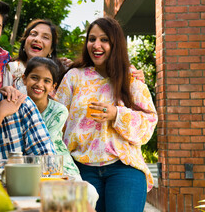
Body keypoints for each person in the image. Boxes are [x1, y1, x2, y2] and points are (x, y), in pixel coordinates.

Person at [55, 17, 158, 212]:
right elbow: (56, 118)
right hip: (80, 168)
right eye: (92, 39)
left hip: (124, 167)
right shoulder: (74, 76)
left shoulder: (130, 78)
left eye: (104, 40)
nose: (96, 45)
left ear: (115, 44)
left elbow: (149, 122)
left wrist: (116, 114)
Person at [23, 56, 99, 209]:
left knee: (89, 192)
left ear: (53, 86)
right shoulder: (17, 107)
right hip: (30, 168)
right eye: (34, 78)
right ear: (24, 79)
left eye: (46, 81)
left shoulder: (59, 110)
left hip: (60, 166)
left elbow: (44, 143)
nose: (39, 84)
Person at [3, 18, 145, 94]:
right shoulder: (10, 68)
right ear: (25, 40)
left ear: (51, 48)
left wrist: (133, 74)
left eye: (45, 37)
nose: (37, 39)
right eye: (33, 34)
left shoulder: (62, 71)